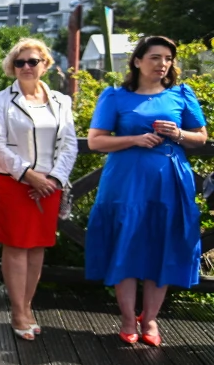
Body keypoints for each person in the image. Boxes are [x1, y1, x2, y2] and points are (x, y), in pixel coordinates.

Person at [85, 35, 207, 346]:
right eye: (155, 57)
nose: (163, 64)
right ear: (138, 61)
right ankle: (128, 318)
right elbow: (96, 141)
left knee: (162, 246)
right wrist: (134, 139)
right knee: (125, 244)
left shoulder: (182, 94)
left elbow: (201, 137)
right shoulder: (115, 96)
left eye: (167, 58)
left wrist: (178, 133)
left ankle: (150, 318)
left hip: (169, 181)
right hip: (125, 182)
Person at [0, 38, 77, 340]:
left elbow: (70, 144)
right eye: (19, 62)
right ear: (12, 67)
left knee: (37, 247)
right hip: (13, 183)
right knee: (15, 247)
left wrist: (53, 179)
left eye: (32, 61)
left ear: (45, 64)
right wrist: (27, 174)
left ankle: (27, 306)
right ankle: (18, 311)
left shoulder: (63, 101)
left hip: (49, 186)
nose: (26, 67)